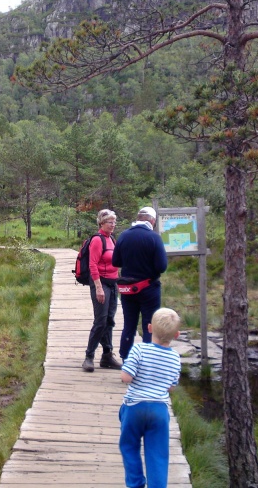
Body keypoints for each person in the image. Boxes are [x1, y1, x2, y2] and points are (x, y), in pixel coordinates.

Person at [119, 307, 182, 488]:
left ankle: (136, 483)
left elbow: (126, 377)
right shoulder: (175, 358)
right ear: (176, 335)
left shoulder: (139, 349)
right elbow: (171, 387)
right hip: (159, 411)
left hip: (134, 408)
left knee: (129, 446)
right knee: (158, 453)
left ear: (149, 328)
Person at [112, 206, 168, 361]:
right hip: (149, 289)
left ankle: (126, 361)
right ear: (152, 220)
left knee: (129, 326)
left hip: (128, 290)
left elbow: (116, 261)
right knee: (149, 325)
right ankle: (147, 363)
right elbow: (161, 266)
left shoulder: (123, 236)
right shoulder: (154, 238)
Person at [82, 209, 122, 372]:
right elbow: (93, 265)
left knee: (110, 321)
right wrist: (98, 288)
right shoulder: (98, 240)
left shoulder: (111, 239)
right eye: (109, 222)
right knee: (100, 321)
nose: (113, 225)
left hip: (113, 284)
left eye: (114, 222)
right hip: (101, 283)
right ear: (101, 223)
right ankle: (89, 357)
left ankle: (107, 356)